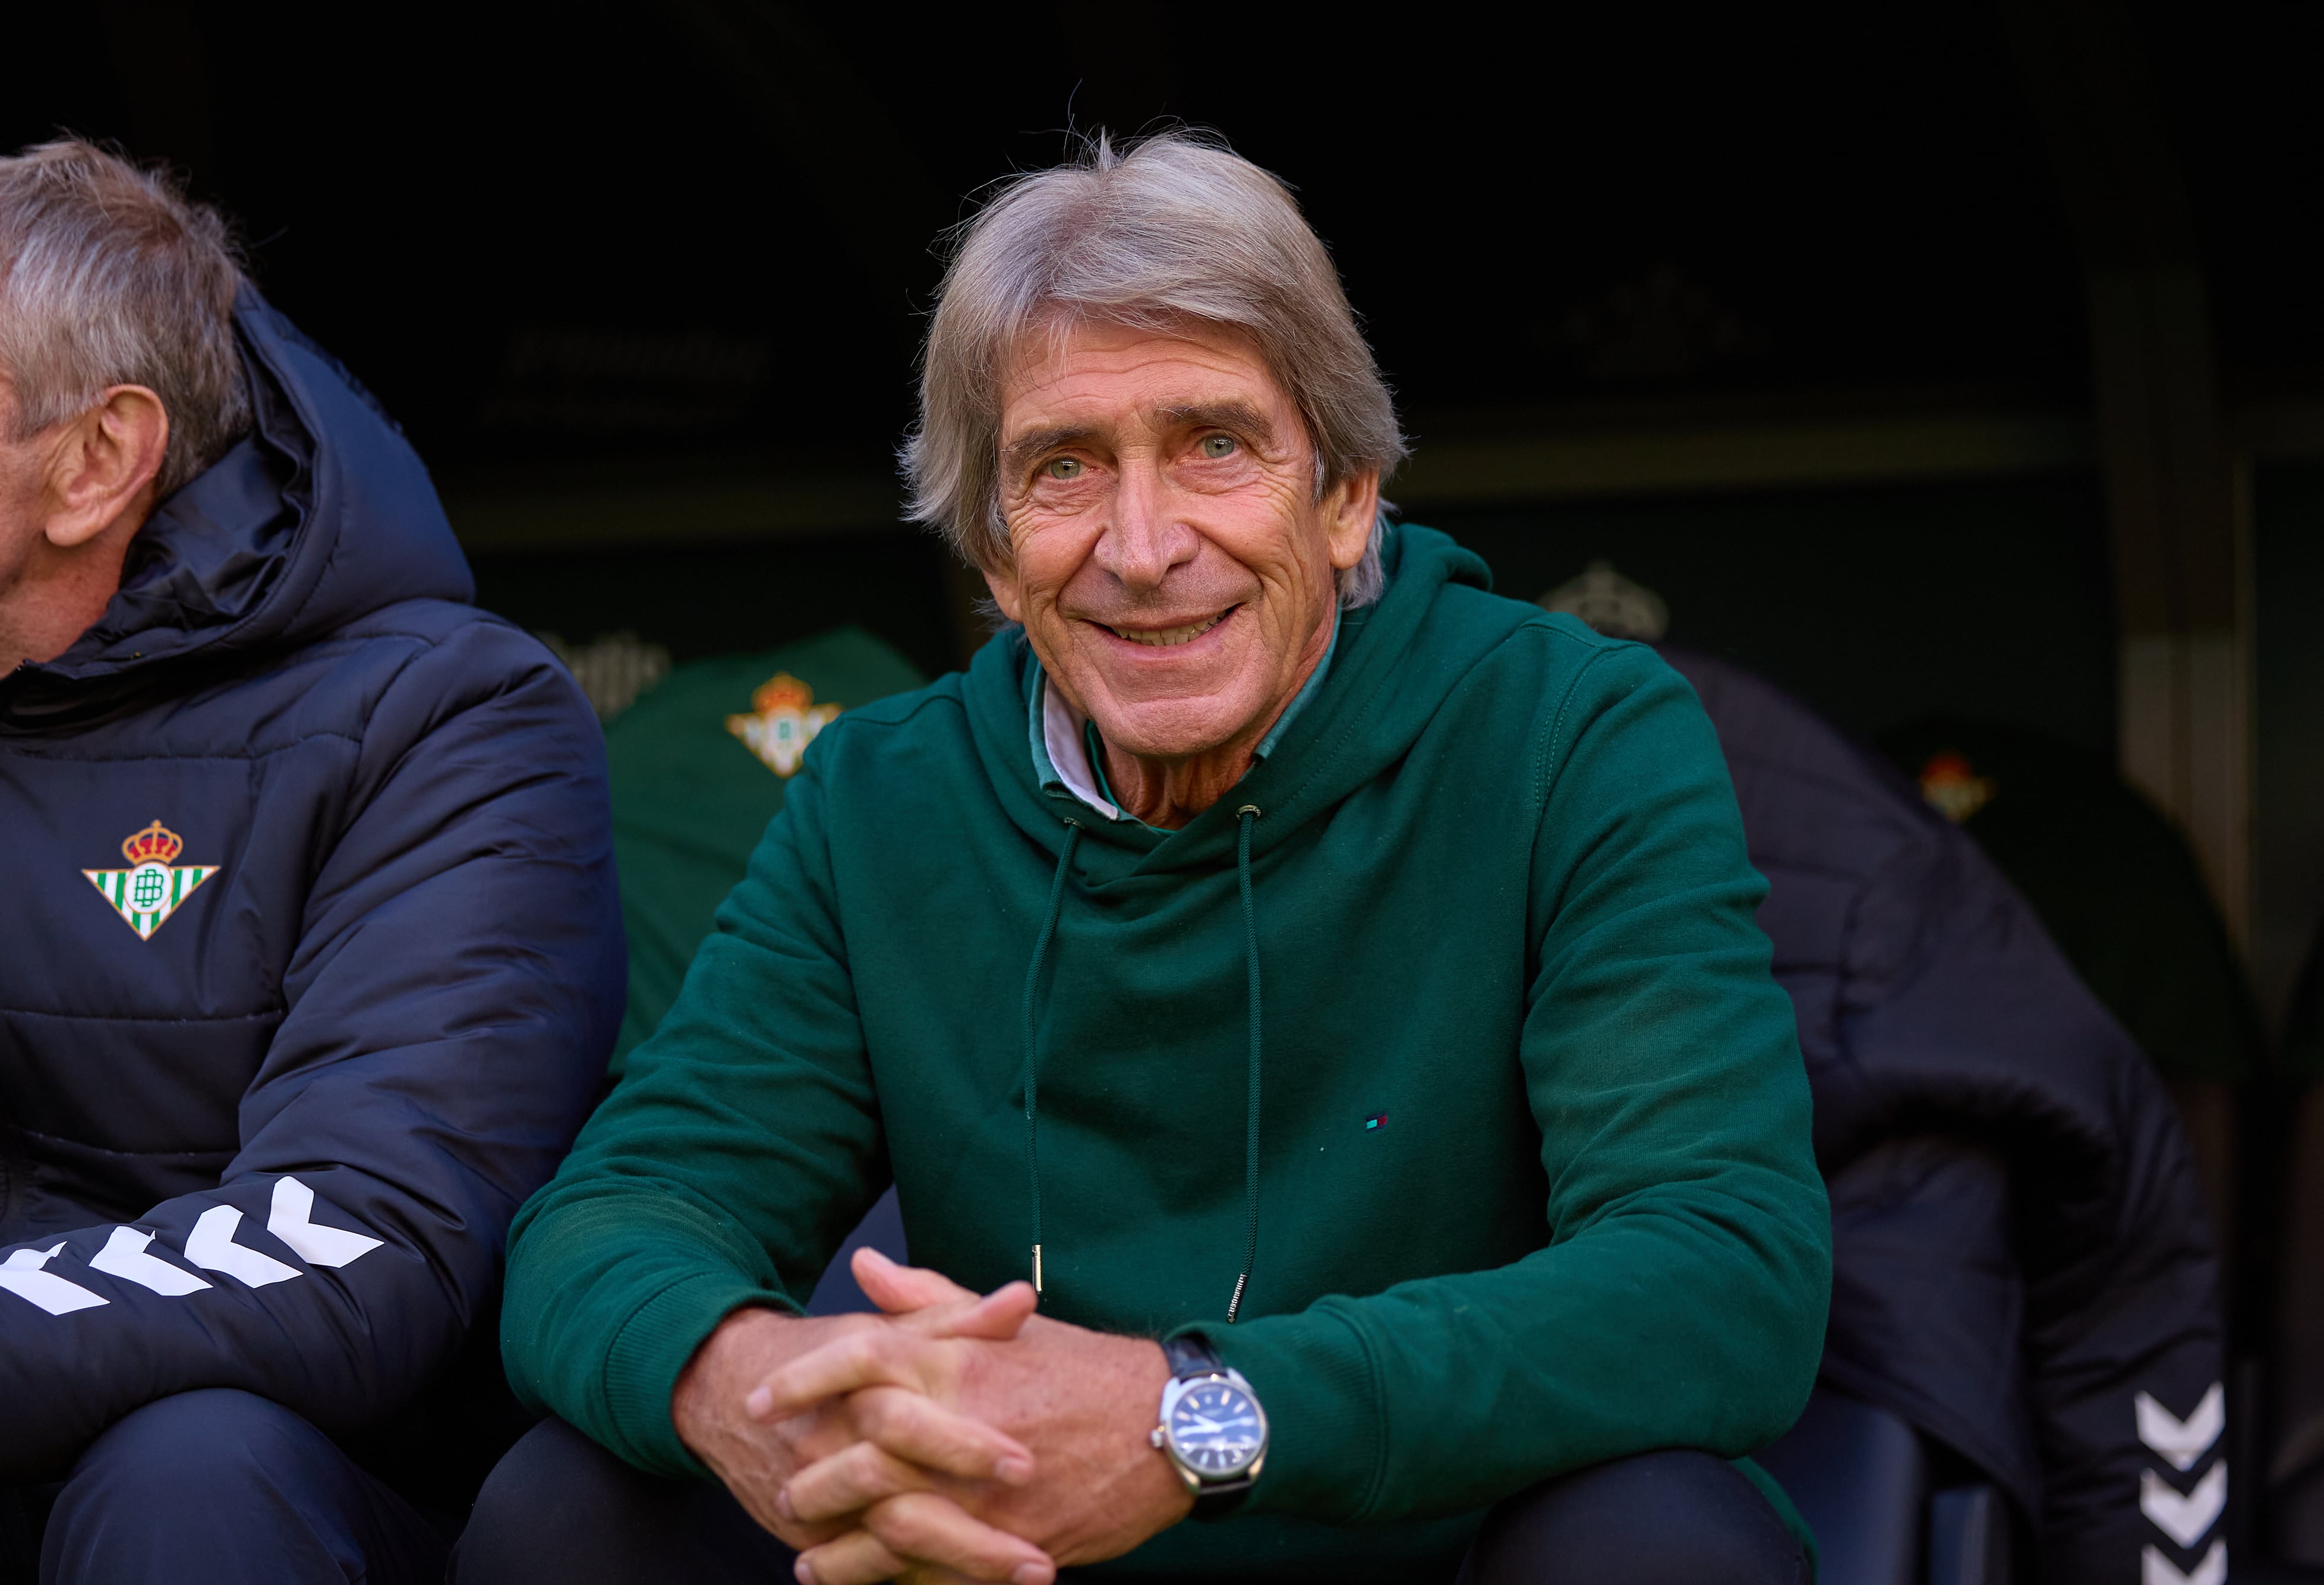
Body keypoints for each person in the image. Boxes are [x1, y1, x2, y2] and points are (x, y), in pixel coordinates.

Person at [469, 132, 1830, 1585]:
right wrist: (749, 1381)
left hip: (1430, 1545)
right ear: (995, 555)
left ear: (1346, 493)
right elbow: (616, 1212)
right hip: (993, 1551)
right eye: (1062, 468)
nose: (1140, 543)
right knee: (572, 1505)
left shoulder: (1568, 733)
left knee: (1659, 1540)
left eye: (1214, 446)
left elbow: (1718, 1266)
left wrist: (1189, 1413)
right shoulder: (882, 794)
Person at [0, 141, 623, 1582]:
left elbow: (362, 1242)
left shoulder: (441, 716)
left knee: (191, 1468)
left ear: (94, 461)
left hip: (275, 1505)